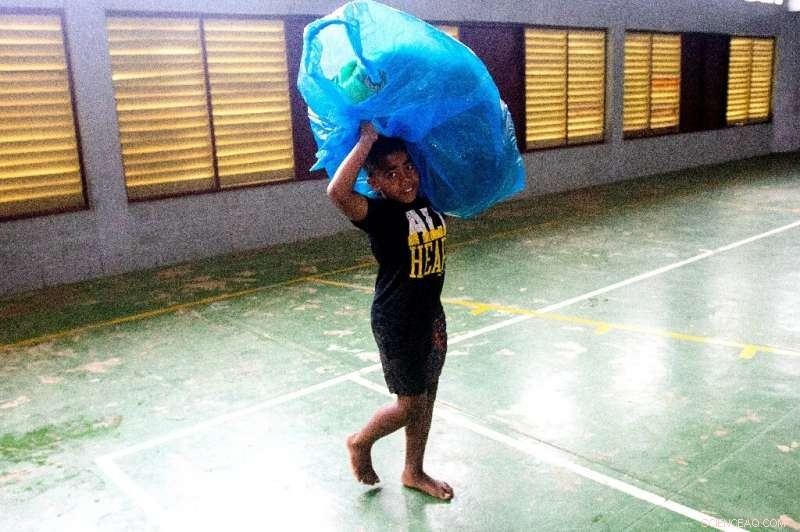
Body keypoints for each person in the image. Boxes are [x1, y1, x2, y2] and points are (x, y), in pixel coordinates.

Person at [326, 122, 453, 501]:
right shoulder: (379, 215)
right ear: (375, 182)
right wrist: (366, 140)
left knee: (427, 395)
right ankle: (360, 442)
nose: (405, 178)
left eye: (408, 167)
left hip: (430, 315)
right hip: (397, 322)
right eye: (391, 174)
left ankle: (413, 470)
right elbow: (336, 192)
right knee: (409, 403)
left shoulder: (426, 200)